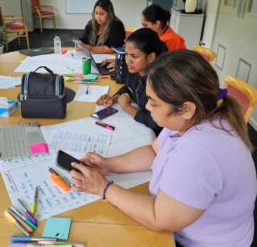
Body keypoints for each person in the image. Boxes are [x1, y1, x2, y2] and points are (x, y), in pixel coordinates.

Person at [70, 50, 257, 247]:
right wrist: (109, 164)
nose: (148, 107)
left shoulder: (200, 151)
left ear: (186, 109)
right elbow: (155, 151)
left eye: (154, 103)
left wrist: (103, 188)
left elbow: (160, 217)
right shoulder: (196, 116)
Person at [97, 28, 167, 135]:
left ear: (151, 57)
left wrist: (127, 107)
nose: (127, 60)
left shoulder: (158, 83)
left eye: (134, 56)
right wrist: (114, 99)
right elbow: (128, 87)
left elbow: (156, 123)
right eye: (126, 54)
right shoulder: (135, 70)